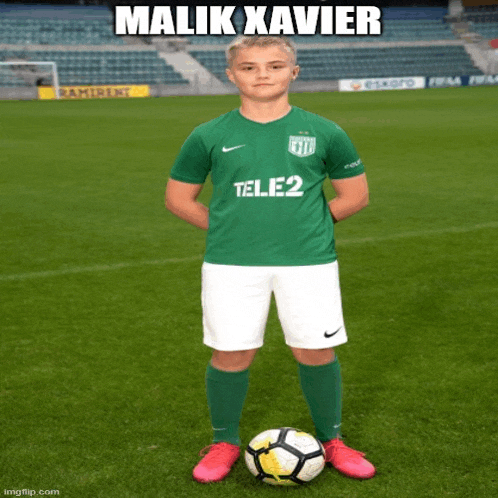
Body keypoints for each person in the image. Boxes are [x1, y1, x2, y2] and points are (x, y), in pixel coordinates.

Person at [165, 35, 375, 483]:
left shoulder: (325, 131)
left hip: (309, 261)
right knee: (232, 352)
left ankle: (332, 440)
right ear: (231, 74)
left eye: (275, 66)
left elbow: (355, 196)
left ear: (293, 73)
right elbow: (179, 198)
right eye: (250, 67)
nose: (263, 74)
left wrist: (307, 226)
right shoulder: (209, 134)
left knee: (315, 349)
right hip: (231, 263)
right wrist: (229, 227)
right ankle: (223, 441)